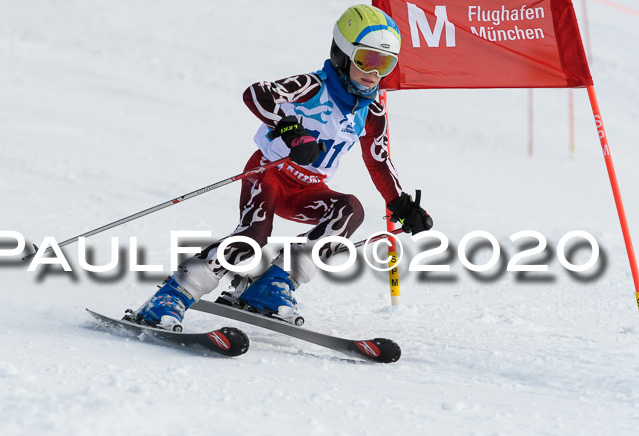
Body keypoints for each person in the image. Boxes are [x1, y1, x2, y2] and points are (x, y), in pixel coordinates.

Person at [134, 4, 433, 331]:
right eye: (366, 59)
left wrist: (400, 204)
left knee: (350, 210)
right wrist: (291, 131)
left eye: (385, 63)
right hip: (269, 174)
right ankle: (173, 295)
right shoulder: (313, 87)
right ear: (343, 53)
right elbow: (257, 94)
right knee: (253, 236)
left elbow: (378, 159)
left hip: (309, 190)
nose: (374, 73)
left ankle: (272, 285)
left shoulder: (372, 110)